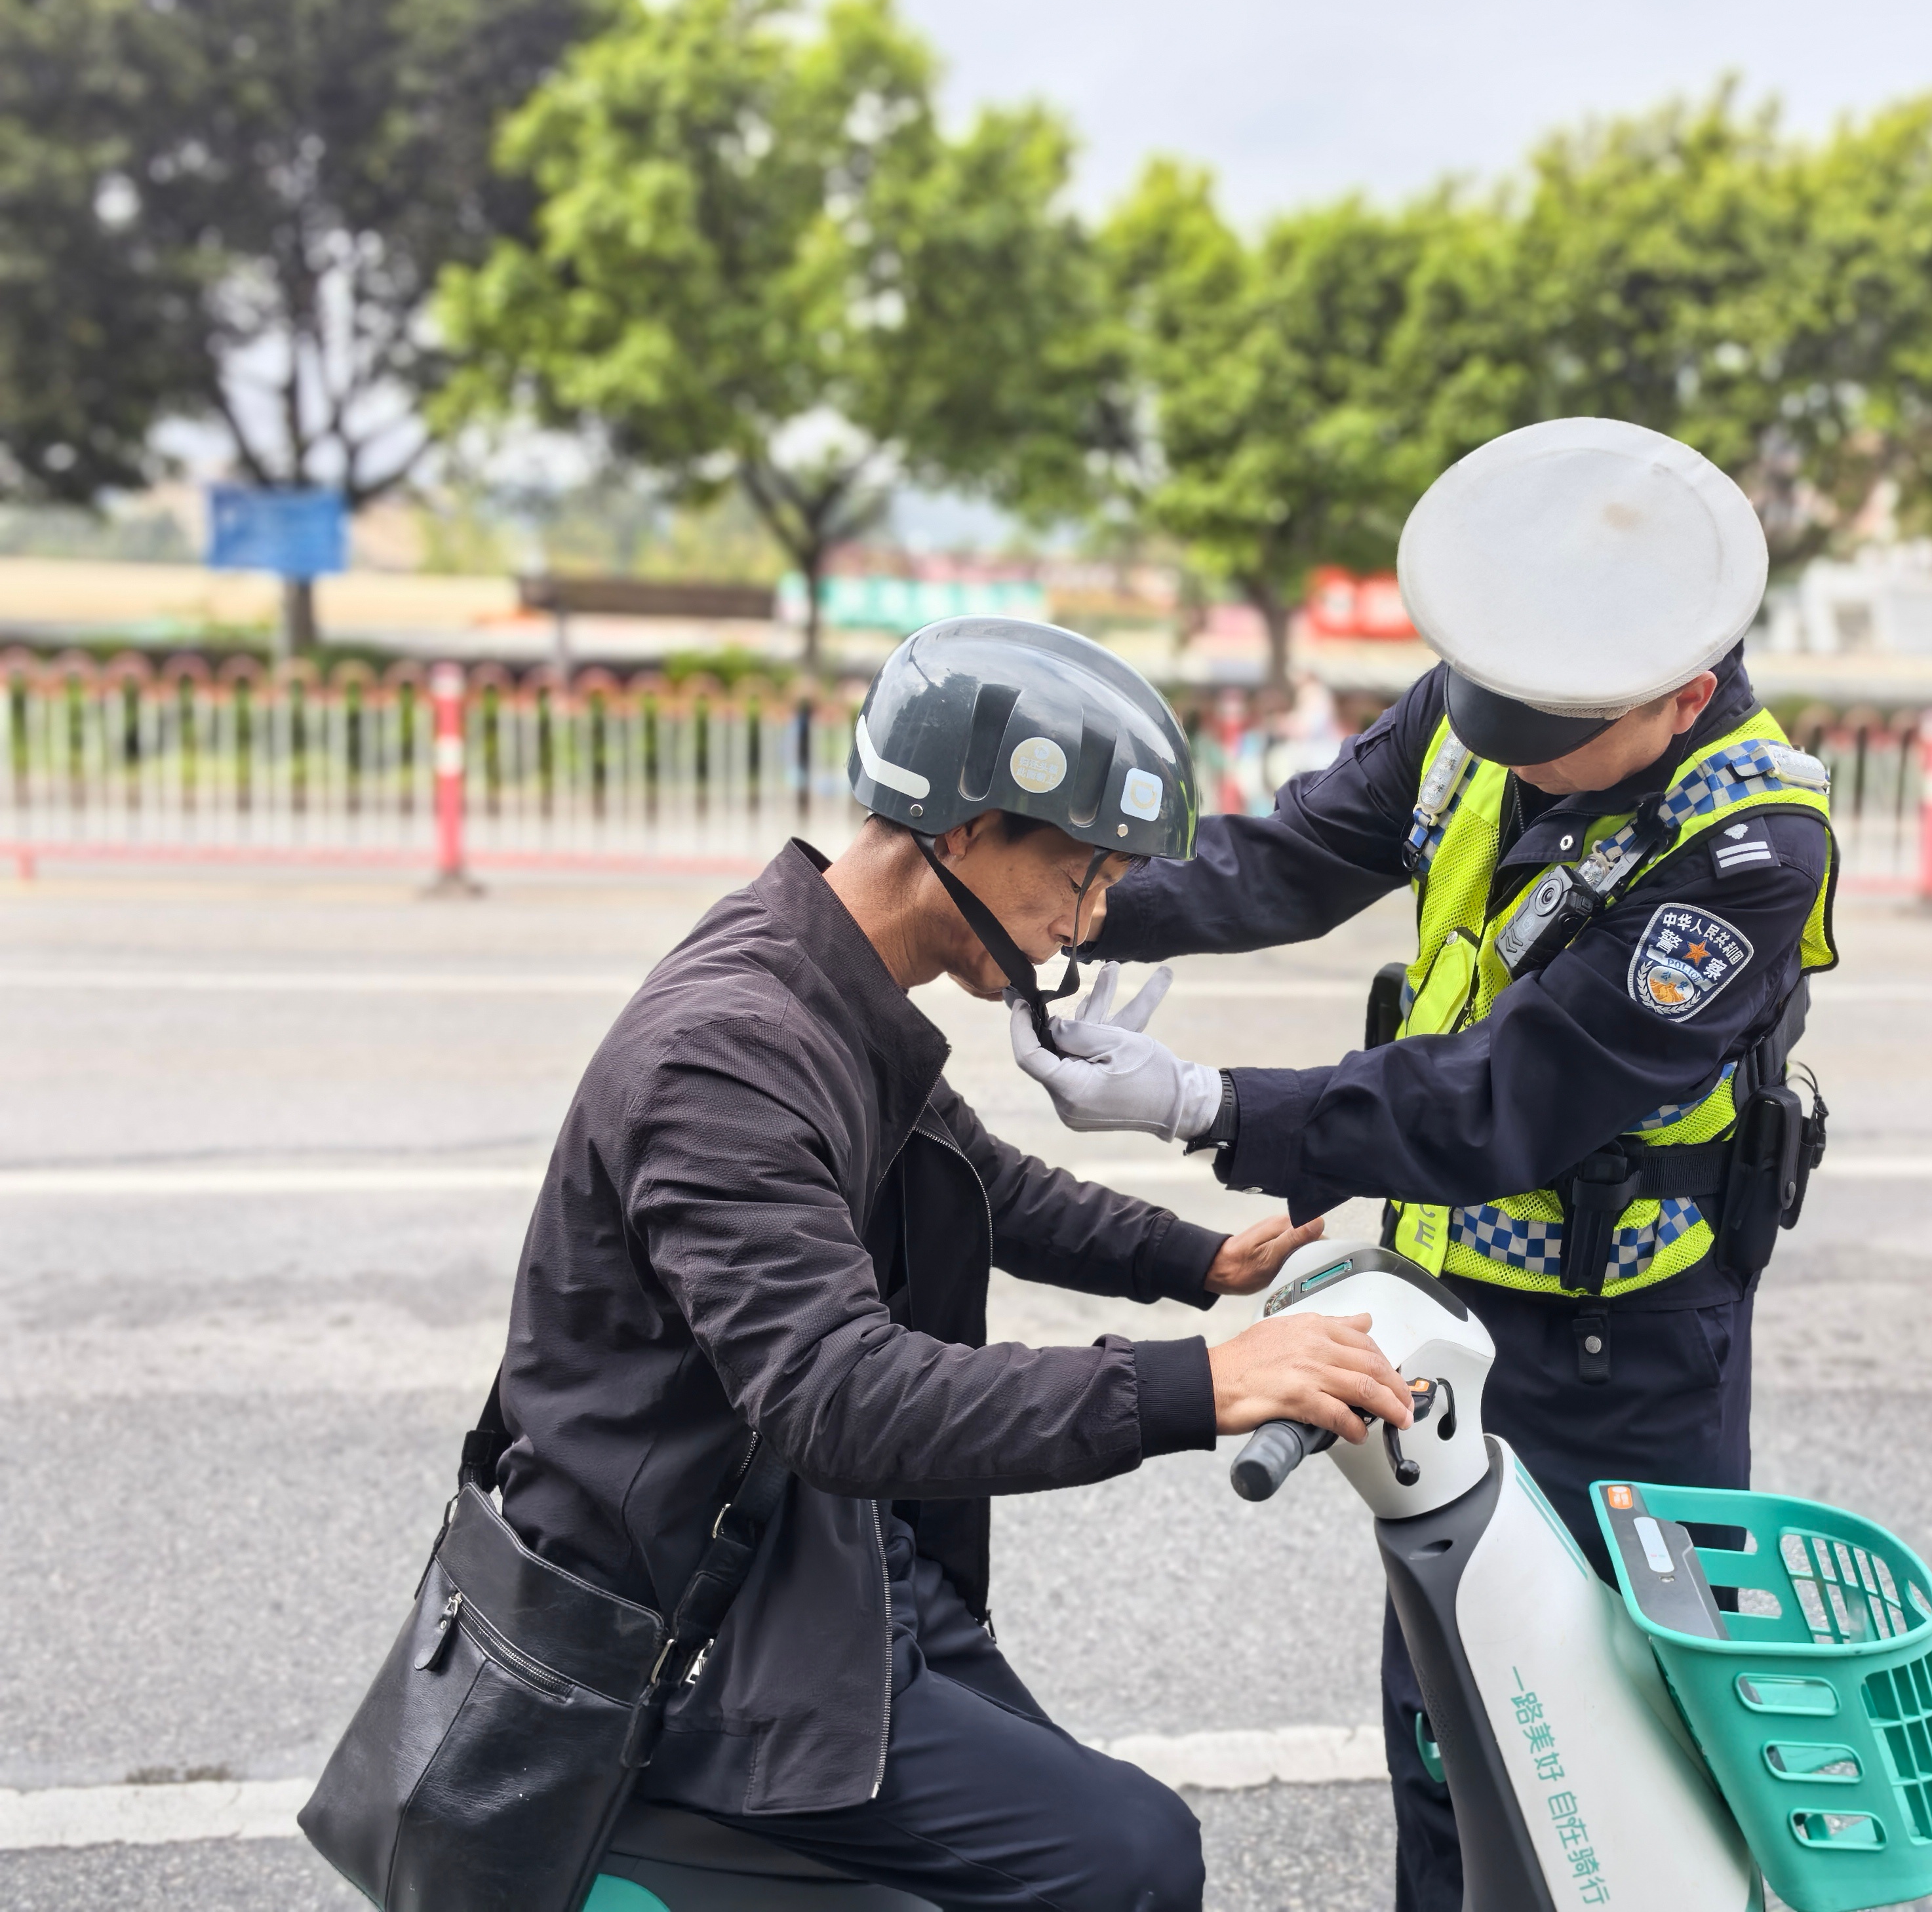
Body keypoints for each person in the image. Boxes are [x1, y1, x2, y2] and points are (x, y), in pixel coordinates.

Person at [1007, 418, 1839, 1912]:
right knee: (1454, 1724)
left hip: (1628, 1355)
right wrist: (1065, 901)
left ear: (1682, 696)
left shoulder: (1747, 847)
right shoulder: (1497, 696)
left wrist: (1201, 1104)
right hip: (1446, 1320)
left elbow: (1504, 1106)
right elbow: (1293, 856)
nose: (1509, 758)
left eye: (1556, 742)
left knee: (1625, 1749)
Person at [489, 617, 1413, 1911]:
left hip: (804, 1546)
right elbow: (840, 1398)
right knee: (1129, 1857)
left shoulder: (821, 974)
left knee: (1082, 1819)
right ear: (966, 832)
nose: (1087, 925)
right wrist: (1203, 1384)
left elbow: (978, 1181)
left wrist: (1204, 1260)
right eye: (1081, 879)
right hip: (676, 1614)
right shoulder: (730, 1051)